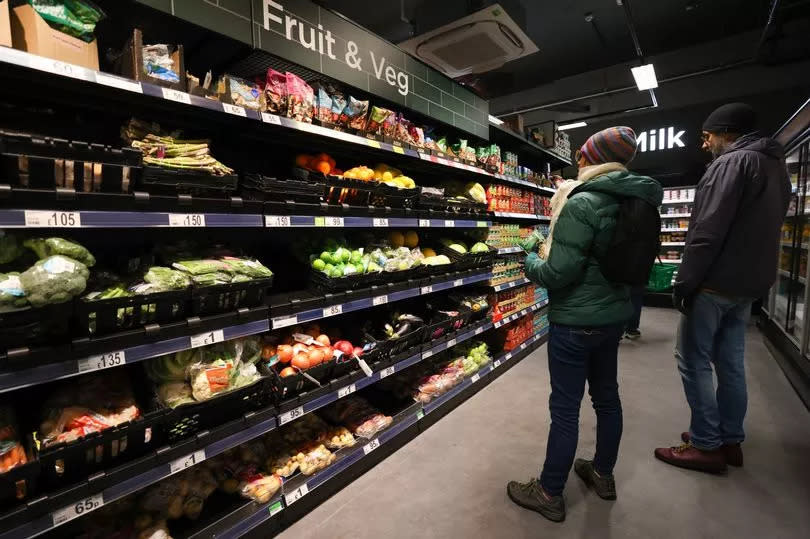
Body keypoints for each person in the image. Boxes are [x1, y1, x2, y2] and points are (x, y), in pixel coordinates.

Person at [507, 127, 663, 522]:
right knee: (607, 399)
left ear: (589, 158)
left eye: (582, 153)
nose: (578, 159)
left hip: (575, 321)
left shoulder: (583, 202)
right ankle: (603, 474)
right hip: (613, 317)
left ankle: (548, 491)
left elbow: (559, 273)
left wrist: (529, 258)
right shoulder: (638, 197)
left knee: (565, 409)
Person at [654, 103, 791, 472]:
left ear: (726, 132)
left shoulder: (730, 164)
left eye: (708, 136)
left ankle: (706, 444)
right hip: (749, 284)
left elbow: (707, 232)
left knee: (693, 359)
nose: (705, 144)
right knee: (730, 361)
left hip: (715, 282)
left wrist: (685, 281)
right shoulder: (776, 166)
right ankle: (729, 439)